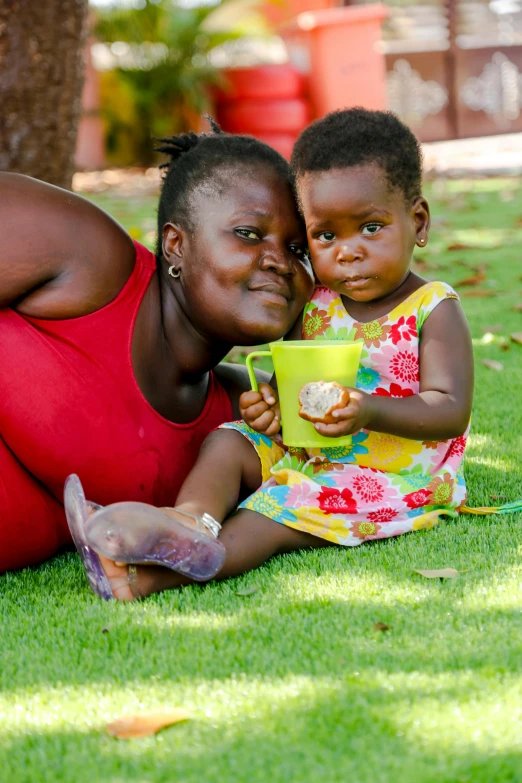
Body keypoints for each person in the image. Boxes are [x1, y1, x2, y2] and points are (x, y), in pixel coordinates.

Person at [80, 107, 475, 601]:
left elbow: (450, 409)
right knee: (229, 441)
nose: (347, 251)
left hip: (391, 476)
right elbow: (293, 389)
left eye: (370, 228)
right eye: (326, 236)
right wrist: (271, 407)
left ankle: (148, 577)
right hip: (314, 452)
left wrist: (366, 409)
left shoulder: (432, 309)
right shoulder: (315, 305)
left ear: (417, 221)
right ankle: (191, 519)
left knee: (272, 513)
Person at [0, 123, 313, 574]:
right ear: (175, 245)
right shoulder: (81, 253)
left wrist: (304, 345)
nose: (279, 261)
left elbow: (361, 469)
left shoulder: (244, 416)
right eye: (248, 233)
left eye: (299, 249)